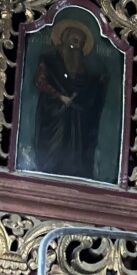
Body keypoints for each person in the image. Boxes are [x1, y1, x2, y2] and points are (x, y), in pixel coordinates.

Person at [34, 21, 108, 179]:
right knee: (53, 150)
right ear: (64, 40)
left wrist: (97, 83)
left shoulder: (79, 66)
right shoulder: (48, 60)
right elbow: (41, 82)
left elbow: (82, 86)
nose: (77, 47)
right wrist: (60, 97)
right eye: (74, 41)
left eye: (81, 44)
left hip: (74, 119)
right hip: (53, 114)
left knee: (74, 150)